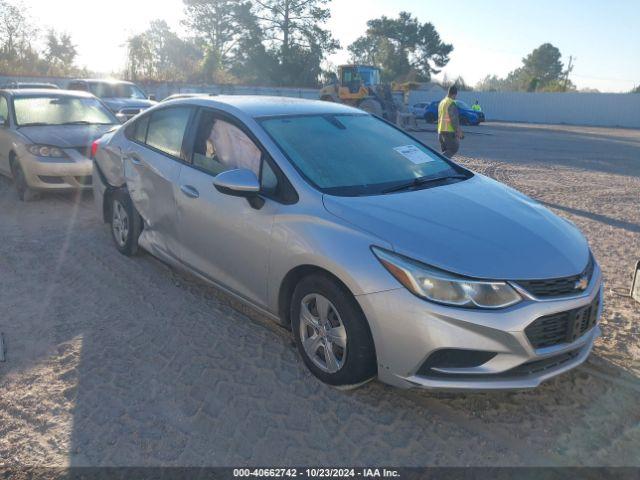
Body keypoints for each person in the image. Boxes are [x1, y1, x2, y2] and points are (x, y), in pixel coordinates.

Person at [437, 85, 464, 158]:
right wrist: (459, 132)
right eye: (456, 95)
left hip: (440, 131)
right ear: (454, 94)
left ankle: (444, 167)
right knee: (453, 149)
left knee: (445, 152)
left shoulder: (442, 102)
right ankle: (438, 163)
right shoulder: (451, 103)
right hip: (448, 132)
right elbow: (454, 119)